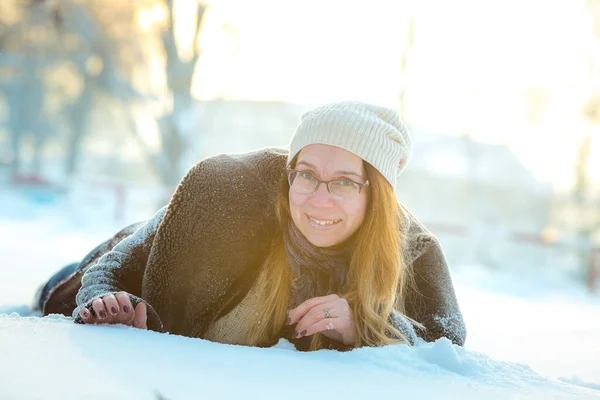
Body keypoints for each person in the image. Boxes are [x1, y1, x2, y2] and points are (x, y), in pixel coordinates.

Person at [36, 101, 466, 351]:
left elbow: (445, 344)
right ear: (290, 171)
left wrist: (368, 325)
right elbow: (109, 269)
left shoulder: (414, 250)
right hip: (115, 249)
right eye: (307, 174)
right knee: (49, 289)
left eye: (345, 183)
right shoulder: (227, 194)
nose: (319, 198)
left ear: (377, 197)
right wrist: (113, 304)